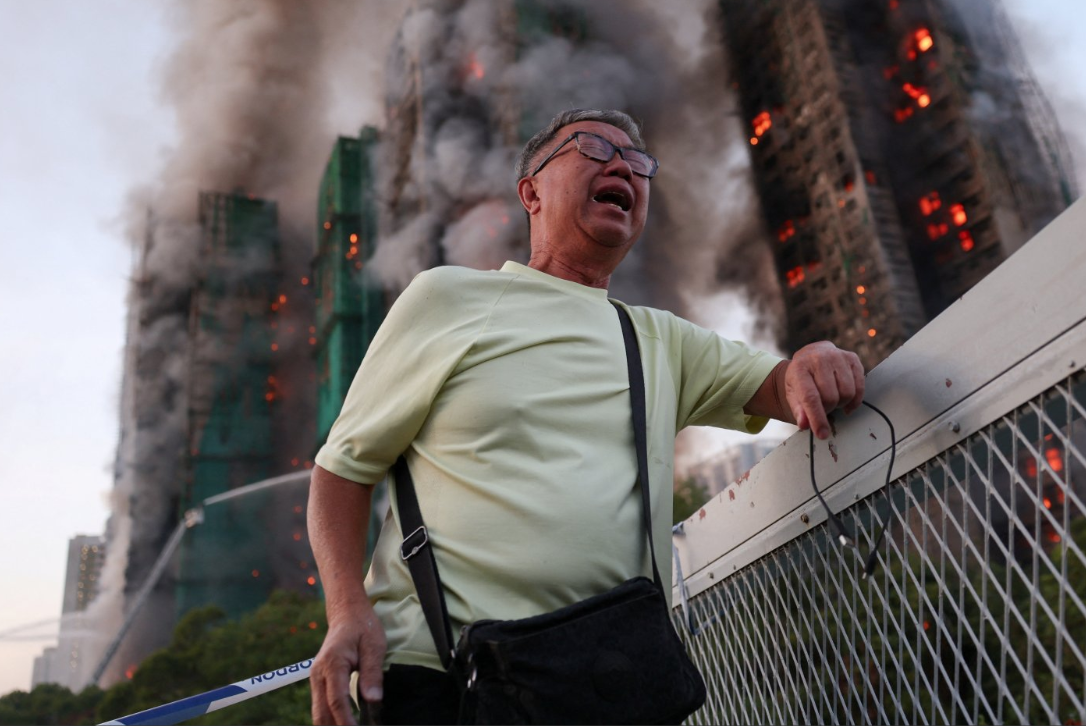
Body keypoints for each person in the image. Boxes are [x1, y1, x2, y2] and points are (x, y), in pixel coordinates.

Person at [308, 108, 866, 725]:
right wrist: (345, 609)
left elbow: (781, 383)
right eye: (594, 148)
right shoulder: (448, 298)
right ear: (532, 192)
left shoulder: (659, 339)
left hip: (610, 682)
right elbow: (342, 470)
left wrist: (813, 361)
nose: (623, 164)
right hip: (446, 677)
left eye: (639, 162)